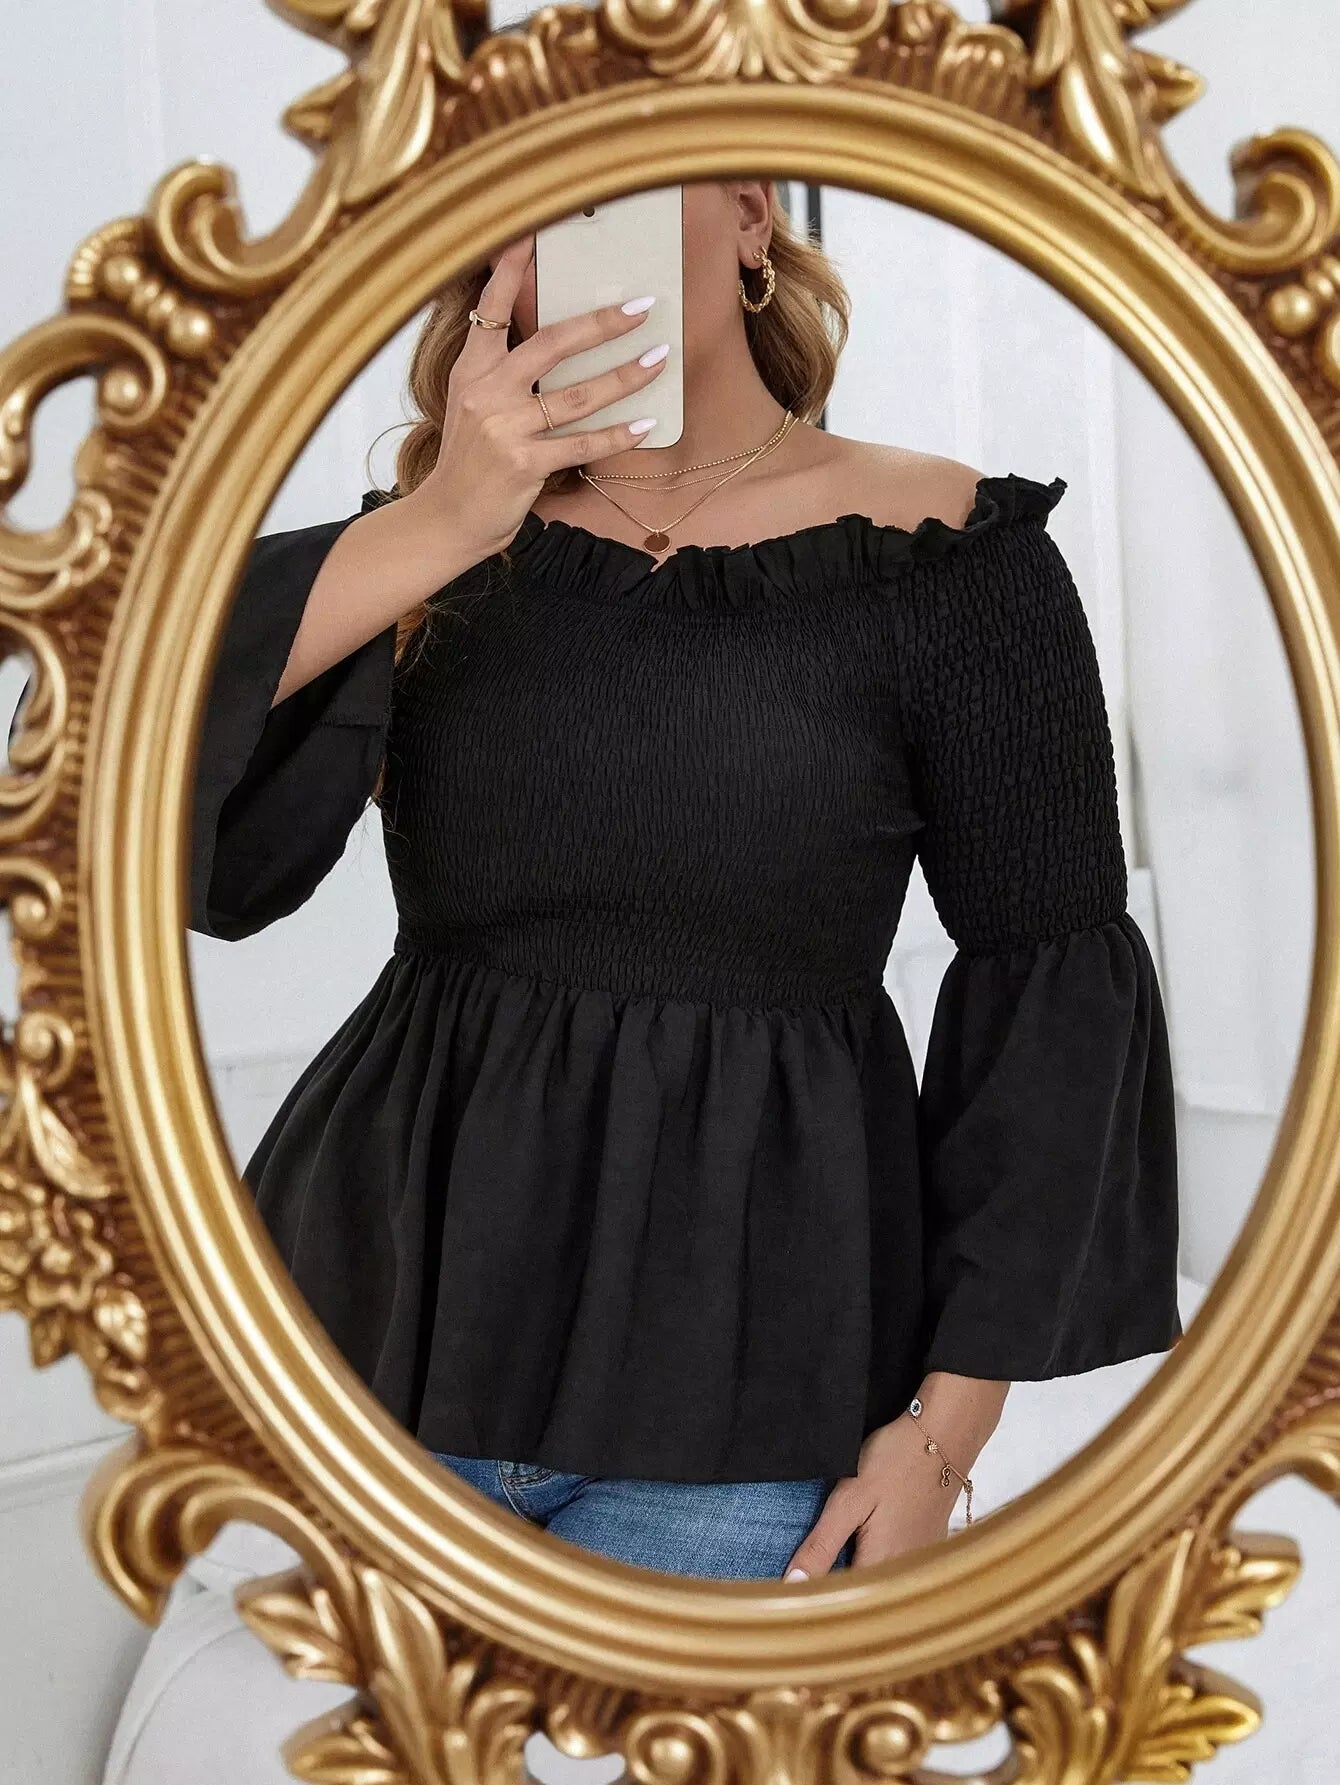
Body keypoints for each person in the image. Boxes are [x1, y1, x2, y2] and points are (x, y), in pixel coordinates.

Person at [189, 179, 1182, 1582]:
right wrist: (448, 518)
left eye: (637, 179)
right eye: (538, 198)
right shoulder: (434, 541)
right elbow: (88, 770)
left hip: (758, 1376)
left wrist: (943, 1438)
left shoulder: (953, 556)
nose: (589, 230)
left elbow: (1052, 997)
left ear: (753, 218)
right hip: (373, 1330)